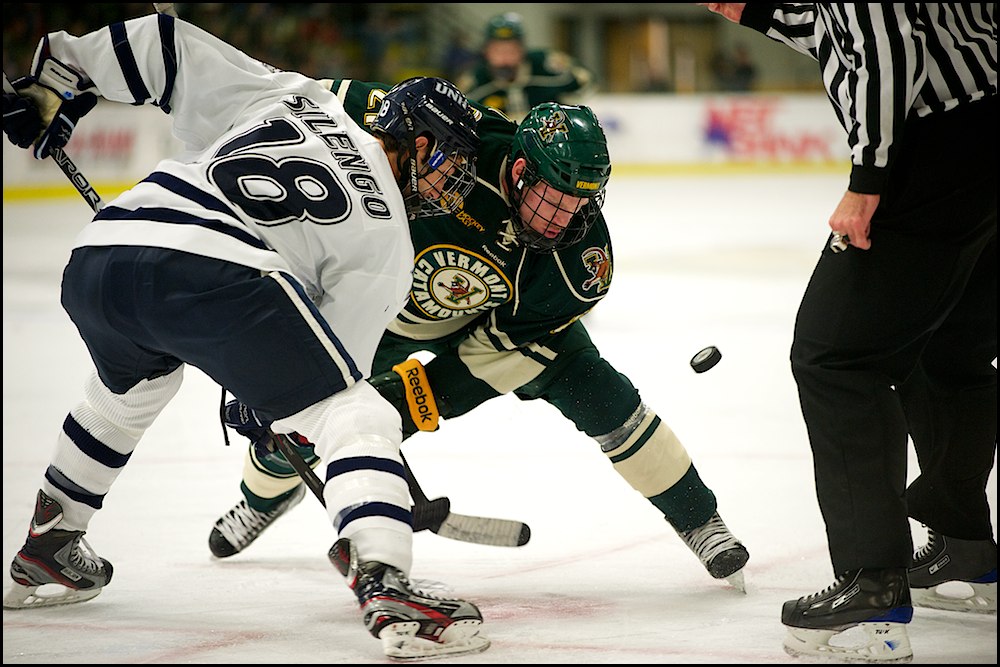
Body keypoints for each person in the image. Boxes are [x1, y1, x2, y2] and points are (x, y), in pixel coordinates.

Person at [1, 12, 491, 661]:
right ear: (420, 142)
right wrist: (271, 397)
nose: (452, 186)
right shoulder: (387, 240)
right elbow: (329, 383)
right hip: (214, 271)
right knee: (357, 412)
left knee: (133, 387)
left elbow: (164, 43)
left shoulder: (298, 94)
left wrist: (56, 77)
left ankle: (50, 544)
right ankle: (388, 582)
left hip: (103, 253)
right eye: (450, 162)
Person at [207, 81, 751, 593]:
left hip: (497, 330)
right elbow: (314, 96)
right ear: (518, 170)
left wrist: (406, 402)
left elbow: (490, 359)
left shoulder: (578, 266)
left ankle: (700, 521)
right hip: (380, 306)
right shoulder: (455, 138)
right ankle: (261, 499)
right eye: (554, 197)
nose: (566, 218)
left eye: (581, 202)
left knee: (607, 399)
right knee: (298, 422)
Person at [699, 3, 997, 662]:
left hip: (940, 144)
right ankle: (967, 551)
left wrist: (870, 179)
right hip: (985, 131)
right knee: (948, 344)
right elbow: (842, 32)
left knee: (835, 357)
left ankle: (872, 587)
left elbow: (882, 44)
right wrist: (755, 9)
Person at [456, 12, 595, 122]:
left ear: (522, 50)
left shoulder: (545, 64)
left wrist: (567, 109)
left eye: (511, 51)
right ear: (486, 52)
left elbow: (586, 79)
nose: (505, 59)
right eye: (497, 51)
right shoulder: (474, 82)